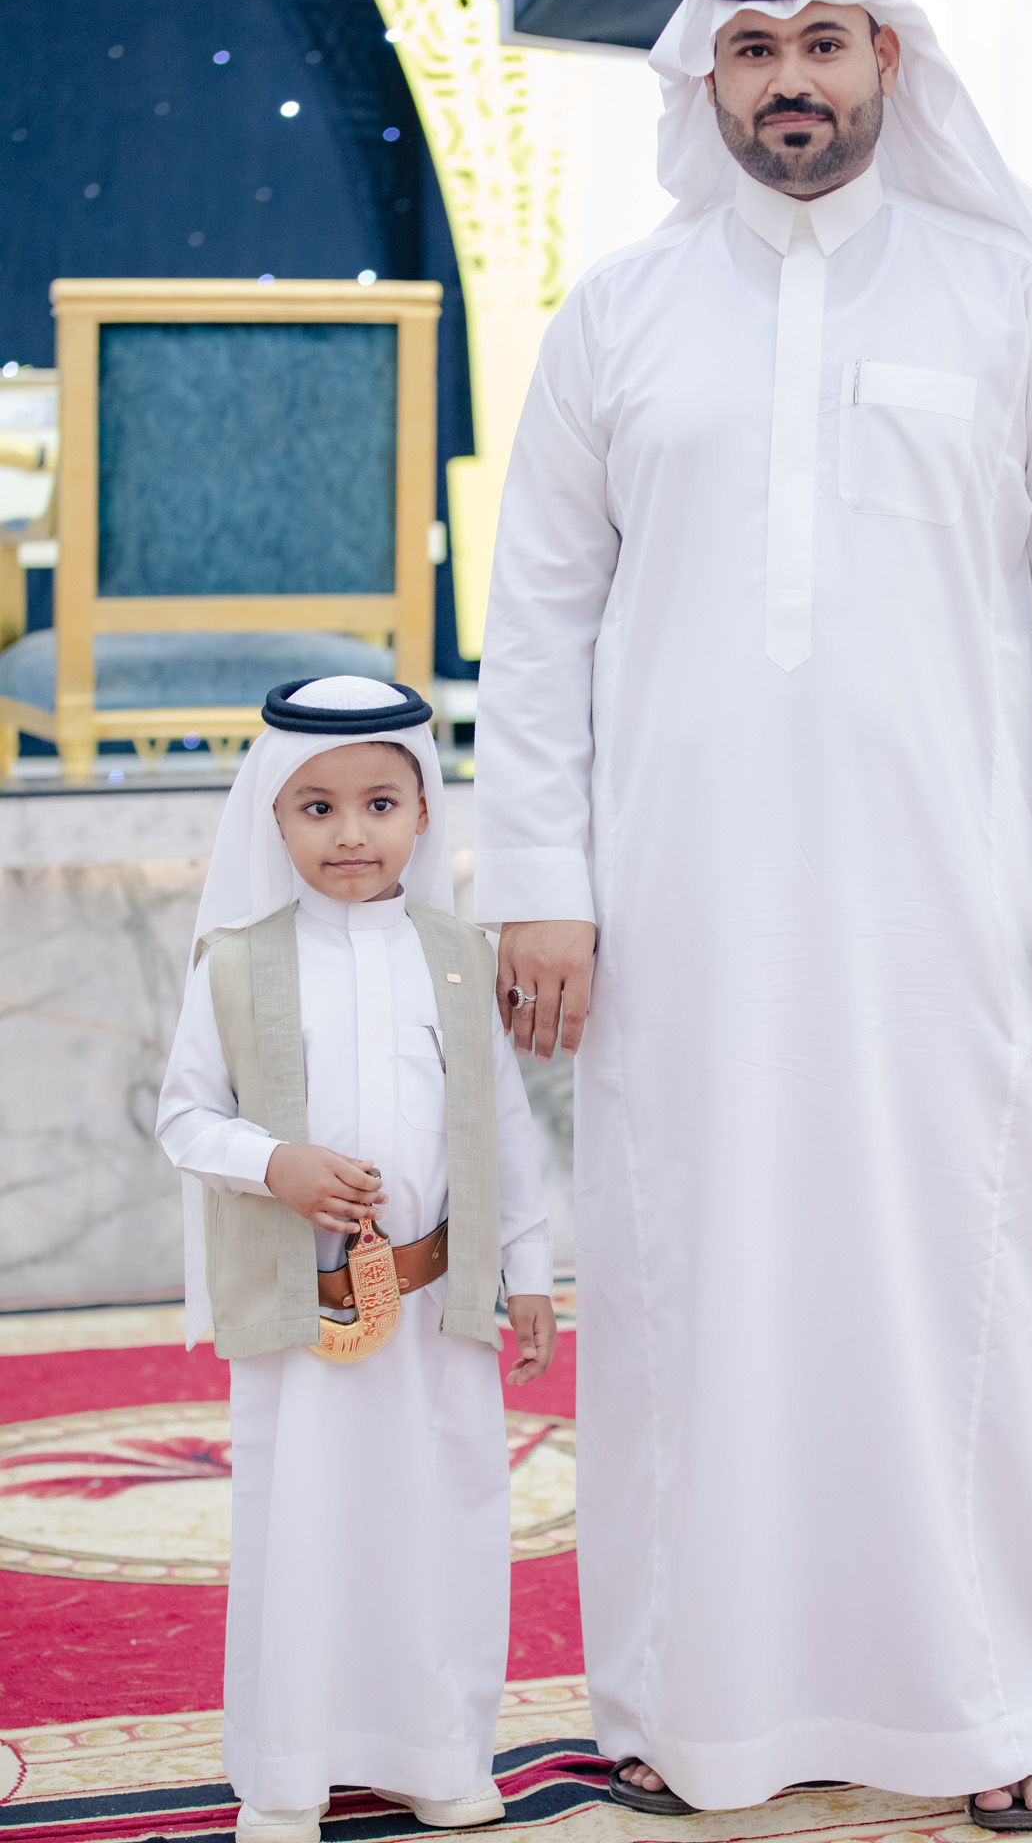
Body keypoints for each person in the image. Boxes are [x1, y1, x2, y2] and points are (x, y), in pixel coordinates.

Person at [474, 0, 1032, 1833]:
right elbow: (538, 618)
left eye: (827, 42)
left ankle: (995, 1701)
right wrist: (538, 876)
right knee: (687, 1279)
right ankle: (691, 1701)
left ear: (889, 63)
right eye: (756, 46)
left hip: (945, 893)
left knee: (964, 1278)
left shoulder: (1012, 294)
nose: (792, 77)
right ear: (706, 74)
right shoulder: (619, 314)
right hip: (676, 906)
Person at [157, 674, 555, 1843]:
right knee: (304, 1531)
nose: (351, 833)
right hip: (306, 1316)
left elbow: (506, 1127)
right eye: (316, 806)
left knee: (442, 1526)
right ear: (272, 816)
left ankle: (437, 1752)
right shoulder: (235, 961)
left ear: (424, 811)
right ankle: (287, 1772)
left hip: (435, 1310)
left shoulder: (457, 957)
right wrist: (274, 1161)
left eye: (380, 803)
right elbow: (185, 1118)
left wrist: (530, 1267)